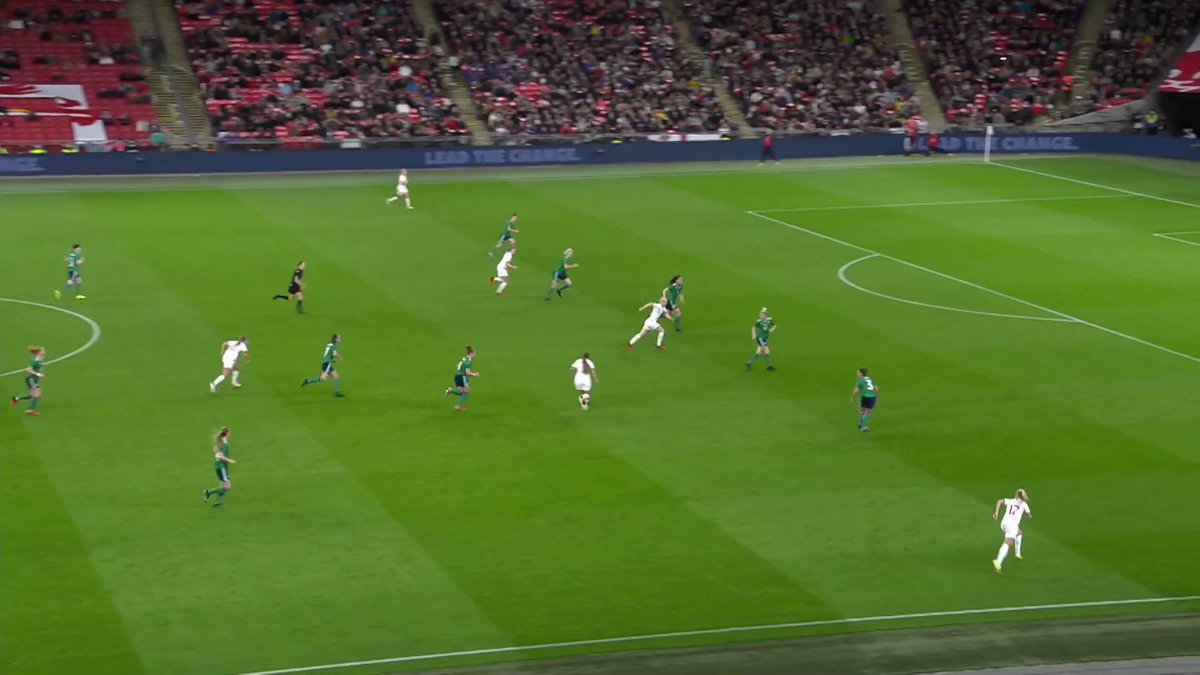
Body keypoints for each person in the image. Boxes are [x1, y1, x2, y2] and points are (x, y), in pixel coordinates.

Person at [992, 489, 1032, 573]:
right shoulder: (1024, 504)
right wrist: (1025, 515)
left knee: (1019, 533)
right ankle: (998, 561)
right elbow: (1029, 516)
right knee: (1009, 542)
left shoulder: (1010, 501)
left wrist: (996, 512)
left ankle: (1017, 554)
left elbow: (999, 501)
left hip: (1004, 524)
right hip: (1012, 526)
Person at [203, 427, 237, 507]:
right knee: (227, 486)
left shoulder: (221, 444)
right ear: (227, 434)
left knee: (225, 486)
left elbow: (217, 453)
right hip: (222, 468)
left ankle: (217, 502)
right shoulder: (225, 445)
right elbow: (221, 456)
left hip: (219, 467)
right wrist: (229, 461)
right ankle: (208, 493)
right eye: (229, 433)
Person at [10, 346, 46, 416]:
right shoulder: (35, 361)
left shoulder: (39, 359)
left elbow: (40, 362)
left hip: (34, 380)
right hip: (32, 380)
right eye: (43, 350)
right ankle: (30, 411)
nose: (44, 352)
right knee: (37, 395)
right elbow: (29, 369)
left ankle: (16, 399)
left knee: (30, 396)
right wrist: (38, 374)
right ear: (39, 352)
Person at [444, 345, 479, 411]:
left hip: (457, 375)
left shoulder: (464, 358)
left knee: (462, 392)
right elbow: (468, 373)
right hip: (462, 377)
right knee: (466, 392)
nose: (475, 356)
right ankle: (458, 406)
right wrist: (475, 374)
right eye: (474, 354)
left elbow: (458, 365)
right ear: (471, 353)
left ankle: (450, 391)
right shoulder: (468, 361)